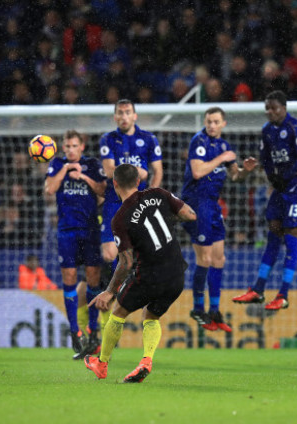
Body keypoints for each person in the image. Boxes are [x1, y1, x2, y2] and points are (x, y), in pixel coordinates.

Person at [84, 164, 196, 383]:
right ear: (138, 181)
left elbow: (125, 263)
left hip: (149, 276)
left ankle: (102, 363)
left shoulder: (119, 218)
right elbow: (190, 215)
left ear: (114, 184)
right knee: (151, 316)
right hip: (176, 274)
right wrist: (167, 219)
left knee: (118, 312)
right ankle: (146, 361)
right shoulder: (159, 194)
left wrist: (109, 291)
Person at [232, 90, 297, 311]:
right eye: (267, 109)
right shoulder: (267, 131)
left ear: (284, 107)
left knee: (290, 237)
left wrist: (285, 177)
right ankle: (258, 290)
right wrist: (273, 178)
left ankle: (283, 294)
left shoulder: (296, 127)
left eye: (274, 108)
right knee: (273, 233)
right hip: (281, 187)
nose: (270, 112)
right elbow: (267, 160)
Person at [180, 106, 257, 331]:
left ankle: (214, 310)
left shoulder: (225, 146)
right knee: (204, 258)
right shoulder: (199, 141)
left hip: (212, 206)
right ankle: (197, 307)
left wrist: (245, 170)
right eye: (208, 121)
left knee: (219, 259)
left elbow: (235, 176)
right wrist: (223, 158)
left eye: (216, 122)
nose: (212, 125)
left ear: (224, 124)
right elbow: (197, 172)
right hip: (196, 203)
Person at [44, 129, 107, 358]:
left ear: (82, 146)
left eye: (74, 146)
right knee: (69, 279)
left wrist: (84, 177)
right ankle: (74, 332)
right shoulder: (57, 164)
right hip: (66, 231)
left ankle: (92, 329)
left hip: (90, 231)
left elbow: (103, 190)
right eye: (67, 146)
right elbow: (50, 189)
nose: (70, 150)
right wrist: (66, 170)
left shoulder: (91, 164)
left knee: (93, 278)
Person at [98, 99, 163, 283]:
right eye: (120, 112)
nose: (124, 116)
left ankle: (126, 290)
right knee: (110, 254)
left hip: (138, 202)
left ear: (134, 116)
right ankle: (114, 289)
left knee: (141, 255)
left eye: (127, 112)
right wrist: (136, 170)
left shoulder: (149, 139)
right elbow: (110, 171)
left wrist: (150, 197)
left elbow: (157, 171)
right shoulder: (107, 139)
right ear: (115, 117)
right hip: (114, 201)